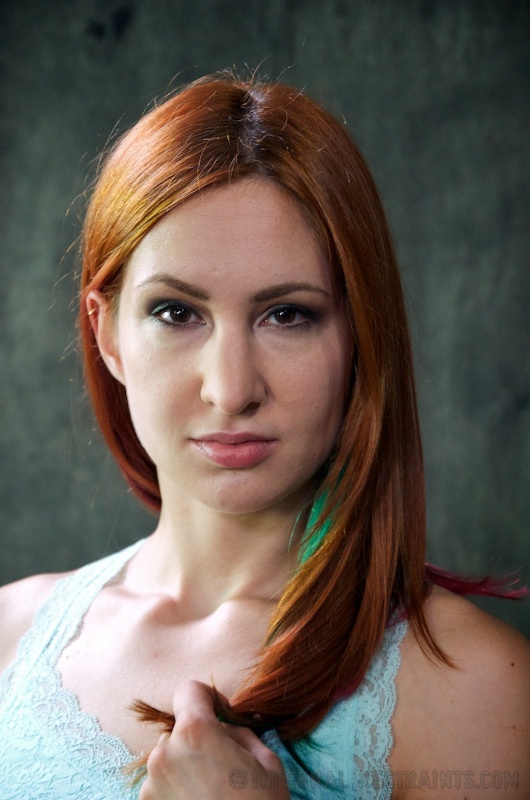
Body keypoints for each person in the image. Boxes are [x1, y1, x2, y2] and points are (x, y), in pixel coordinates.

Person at [0, 72, 528, 800]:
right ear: (107, 334)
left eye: (287, 315)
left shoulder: (476, 688)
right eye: (176, 313)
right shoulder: (9, 637)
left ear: (361, 338)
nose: (231, 388)